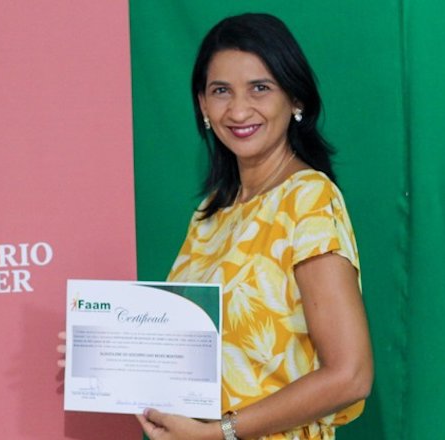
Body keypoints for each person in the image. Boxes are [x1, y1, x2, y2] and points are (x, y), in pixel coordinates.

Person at [61, 13, 372, 440]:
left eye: (260, 88)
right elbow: (186, 358)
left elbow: (350, 375)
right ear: (203, 105)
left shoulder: (308, 199)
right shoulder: (213, 212)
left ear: (295, 98)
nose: (239, 109)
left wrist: (218, 432)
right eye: (221, 91)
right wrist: (100, 358)